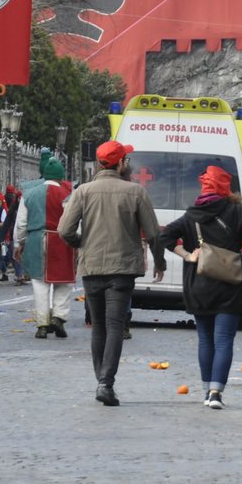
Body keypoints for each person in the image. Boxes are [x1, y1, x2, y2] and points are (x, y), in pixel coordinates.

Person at [58, 141, 165, 406]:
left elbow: (64, 230)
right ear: (120, 164)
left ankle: (101, 381)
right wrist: (160, 261)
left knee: (99, 327)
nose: (128, 164)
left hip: (92, 267)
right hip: (123, 270)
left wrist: (82, 243)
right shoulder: (136, 192)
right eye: (126, 159)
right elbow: (153, 233)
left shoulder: (83, 192)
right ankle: (107, 383)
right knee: (115, 325)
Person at [158, 165, 242, 409]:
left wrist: (188, 255)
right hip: (230, 285)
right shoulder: (239, 213)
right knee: (223, 341)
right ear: (226, 187)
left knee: (205, 340)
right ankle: (215, 393)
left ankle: (205, 390)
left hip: (199, 285)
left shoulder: (191, 215)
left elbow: (165, 236)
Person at [16, 156, 76, 338]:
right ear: (60, 176)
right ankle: (58, 316)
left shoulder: (29, 193)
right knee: (63, 282)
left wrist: (18, 243)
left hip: (35, 239)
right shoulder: (67, 195)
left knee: (39, 283)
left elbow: (21, 223)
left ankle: (42, 324)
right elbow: (72, 220)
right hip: (60, 239)